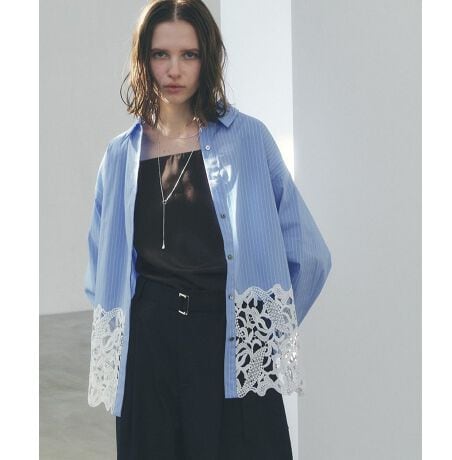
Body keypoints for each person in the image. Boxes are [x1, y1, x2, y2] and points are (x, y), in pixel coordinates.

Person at [83, 1, 332, 459]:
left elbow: (311, 256)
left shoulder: (248, 138)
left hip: (226, 341)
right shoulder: (119, 156)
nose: (174, 69)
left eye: (189, 55)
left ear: (208, 59)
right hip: (149, 349)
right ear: (143, 60)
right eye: (160, 54)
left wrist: (260, 334)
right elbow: (101, 269)